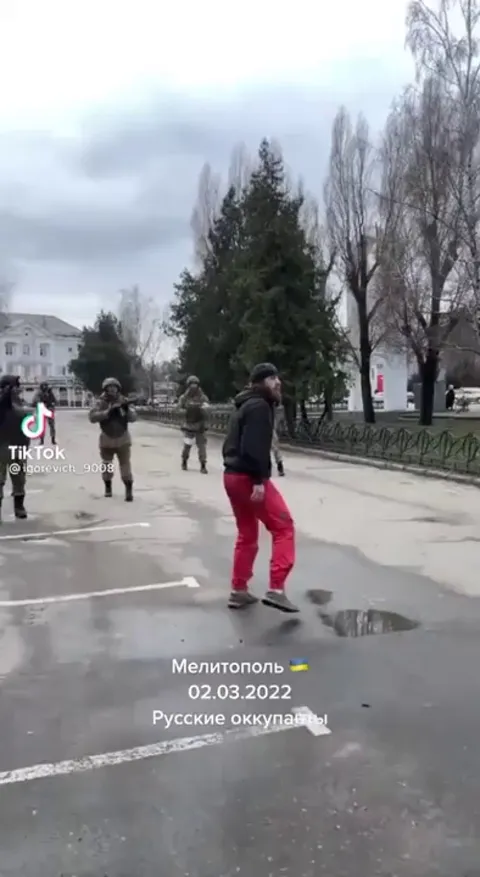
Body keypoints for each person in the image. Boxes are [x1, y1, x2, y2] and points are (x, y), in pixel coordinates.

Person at [222, 362, 298, 612]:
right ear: (260, 382)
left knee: (247, 533)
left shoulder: (245, 404)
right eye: (272, 378)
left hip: (232, 476)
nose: (278, 383)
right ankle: (276, 589)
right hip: (247, 477)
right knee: (283, 526)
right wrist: (258, 480)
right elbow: (252, 447)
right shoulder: (259, 406)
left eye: (278, 377)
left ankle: (238, 590)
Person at [88, 377, 137, 501]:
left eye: (114, 387)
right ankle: (108, 487)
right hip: (106, 440)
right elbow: (92, 417)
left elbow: (133, 418)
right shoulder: (100, 402)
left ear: (118, 388)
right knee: (107, 465)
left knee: (125, 466)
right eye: (109, 388)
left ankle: (128, 489)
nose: (112, 390)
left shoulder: (123, 400)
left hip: (123, 439)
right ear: (105, 389)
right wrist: (107, 412)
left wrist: (126, 410)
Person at [0, 375, 31, 521]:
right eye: (15, 386)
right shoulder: (3, 402)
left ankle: (19, 507)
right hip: (2, 446)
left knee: (19, 480)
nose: (19, 389)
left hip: (17, 446)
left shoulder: (19, 402)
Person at [178, 375, 209, 473]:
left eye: (195, 384)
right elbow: (178, 410)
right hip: (189, 425)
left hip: (200, 425)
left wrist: (203, 409)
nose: (194, 386)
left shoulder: (203, 397)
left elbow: (208, 409)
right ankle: (184, 461)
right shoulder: (184, 397)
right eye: (192, 384)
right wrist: (187, 410)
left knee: (202, 446)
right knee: (187, 445)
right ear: (188, 385)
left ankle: (203, 465)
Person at [272, 400, 285, 476]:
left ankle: (280, 465)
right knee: (275, 448)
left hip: (269, 427)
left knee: (275, 448)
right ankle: (279, 466)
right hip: (267, 427)